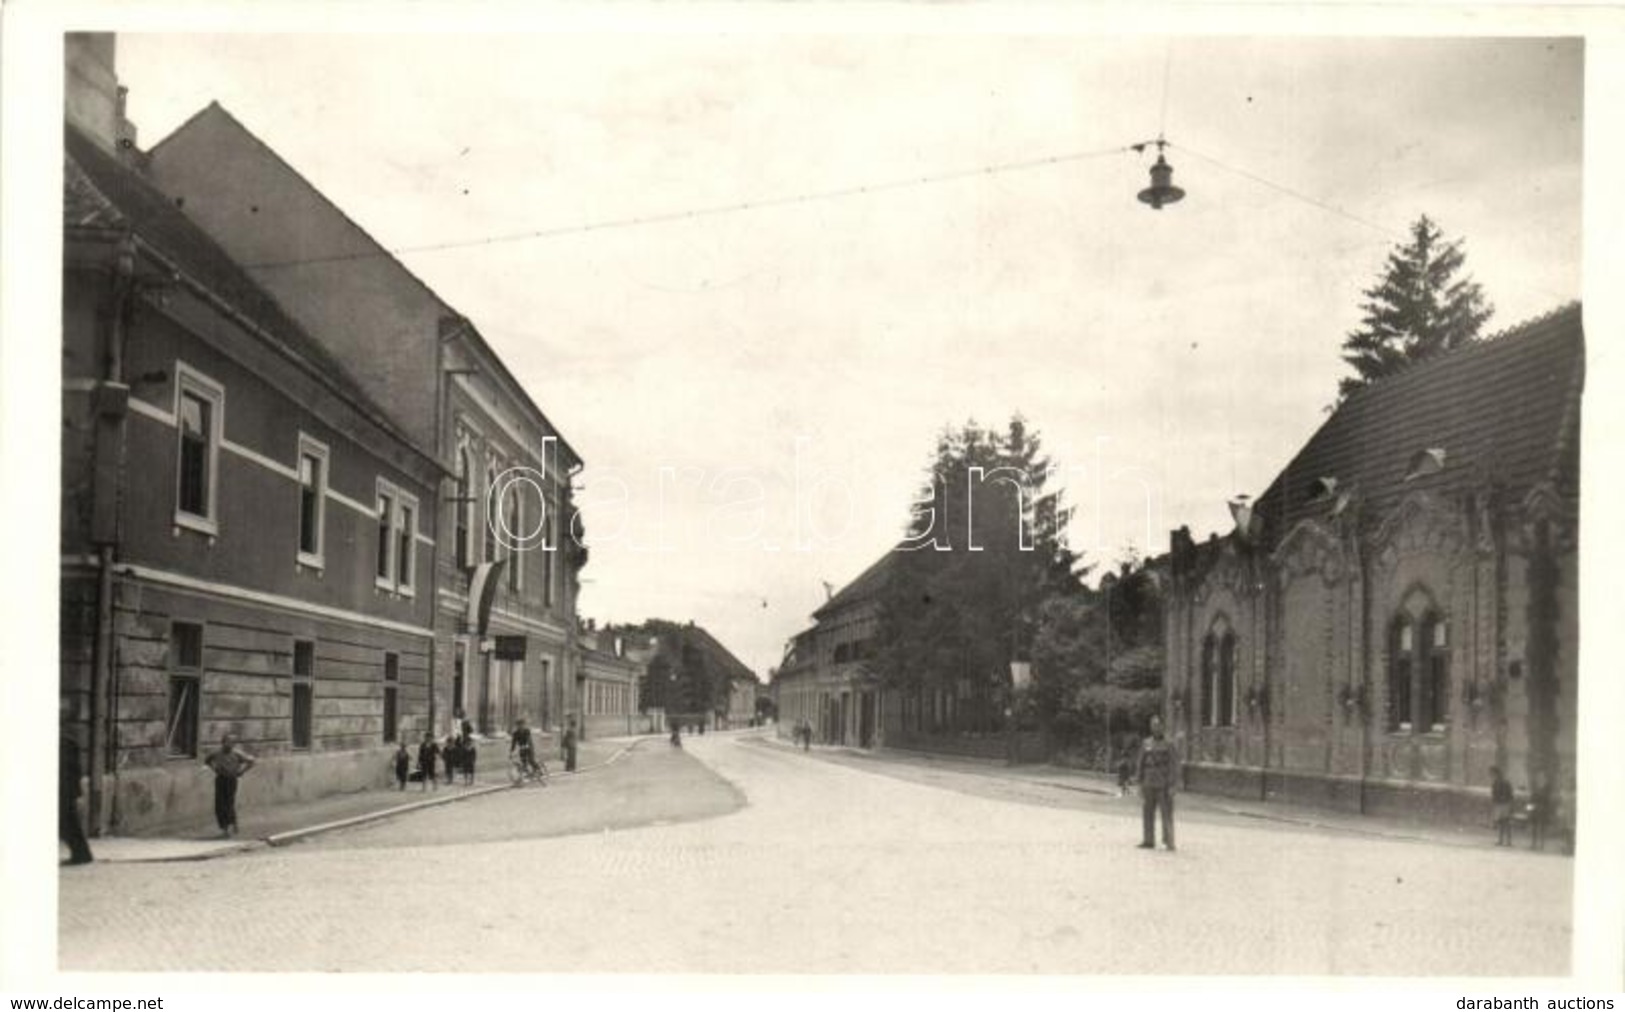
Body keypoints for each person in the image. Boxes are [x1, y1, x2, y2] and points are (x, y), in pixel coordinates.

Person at [1136, 715, 1177, 851]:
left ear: (1162, 727)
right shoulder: (1146, 743)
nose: (1155, 728)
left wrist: (1172, 785)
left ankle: (1169, 841)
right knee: (1147, 812)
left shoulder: (1169, 743)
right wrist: (1139, 782)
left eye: (1157, 725)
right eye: (1152, 725)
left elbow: (1173, 765)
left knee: (1166, 813)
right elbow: (1140, 763)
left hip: (1163, 783)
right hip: (1148, 782)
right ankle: (1148, 840)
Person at [59, 704, 93, 865]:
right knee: (68, 824)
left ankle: (82, 854)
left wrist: (76, 791)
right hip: (65, 789)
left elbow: (74, 770)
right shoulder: (68, 741)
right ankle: (82, 854)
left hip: (64, 790)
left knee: (67, 824)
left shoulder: (65, 742)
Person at [204, 733, 256, 838]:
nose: (230, 744)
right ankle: (225, 827)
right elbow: (207, 761)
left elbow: (251, 761)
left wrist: (242, 771)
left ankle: (231, 825)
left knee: (229, 803)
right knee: (219, 804)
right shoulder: (216, 753)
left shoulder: (237, 754)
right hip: (220, 779)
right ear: (222, 742)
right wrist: (214, 768)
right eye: (228, 742)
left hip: (231, 780)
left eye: (233, 742)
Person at [1490, 766, 1515, 846]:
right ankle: (1502, 840)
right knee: (1501, 822)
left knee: (1506, 822)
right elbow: (1494, 794)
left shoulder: (1503, 782)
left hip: (1504, 804)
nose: (1491, 776)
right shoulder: (1496, 782)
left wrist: (1508, 802)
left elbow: (1509, 794)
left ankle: (1507, 840)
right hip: (1500, 804)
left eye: (1492, 774)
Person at [1528, 770, 1553, 852]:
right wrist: (1529, 809)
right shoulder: (1535, 786)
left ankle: (1542, 844)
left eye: (1541, 776)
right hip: (1535, 807)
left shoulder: (1547, 786)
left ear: (1544, 777)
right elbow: (1531, 798)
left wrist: (1548, 810)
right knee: (1534, 826)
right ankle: (1533, 843)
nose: (1539, 777)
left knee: (1542, 826)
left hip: (1543, 808)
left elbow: (1548, 799)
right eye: (1538, 776)